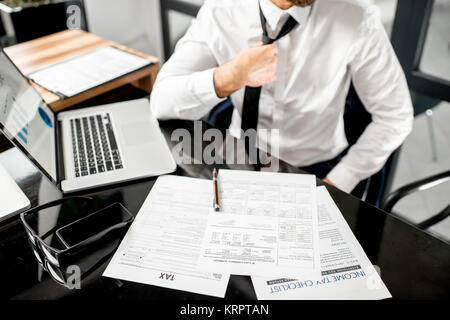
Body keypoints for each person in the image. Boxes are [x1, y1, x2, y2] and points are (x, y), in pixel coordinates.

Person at [150, 0, 413, 193]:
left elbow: (395, 117)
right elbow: (161, 102)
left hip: (314, 169)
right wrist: (227, 78)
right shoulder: (221, 9)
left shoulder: (357, 17)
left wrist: (336, 184)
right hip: (234, 158)